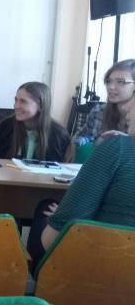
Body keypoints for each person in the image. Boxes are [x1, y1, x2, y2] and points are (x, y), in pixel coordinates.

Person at [27, 106, 135, 262]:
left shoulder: (117, 148)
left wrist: (63, 213)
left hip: (101, 267)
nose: (126, 109)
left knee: (45, 210)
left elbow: (55, 238)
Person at [69, 59, 135, 158]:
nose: (111, 87)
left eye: (120, 82)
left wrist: (127, 142)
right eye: (109, 81)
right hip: (101, 163)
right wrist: (75, 144)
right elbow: (83, 135)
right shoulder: (99, 111)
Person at [0, 82, 70, 162]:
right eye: (16, 100)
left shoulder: (59, 135)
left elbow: (60, 167)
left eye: (23, 101)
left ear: (41, 105)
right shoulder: (5, 127)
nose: (16, 106)